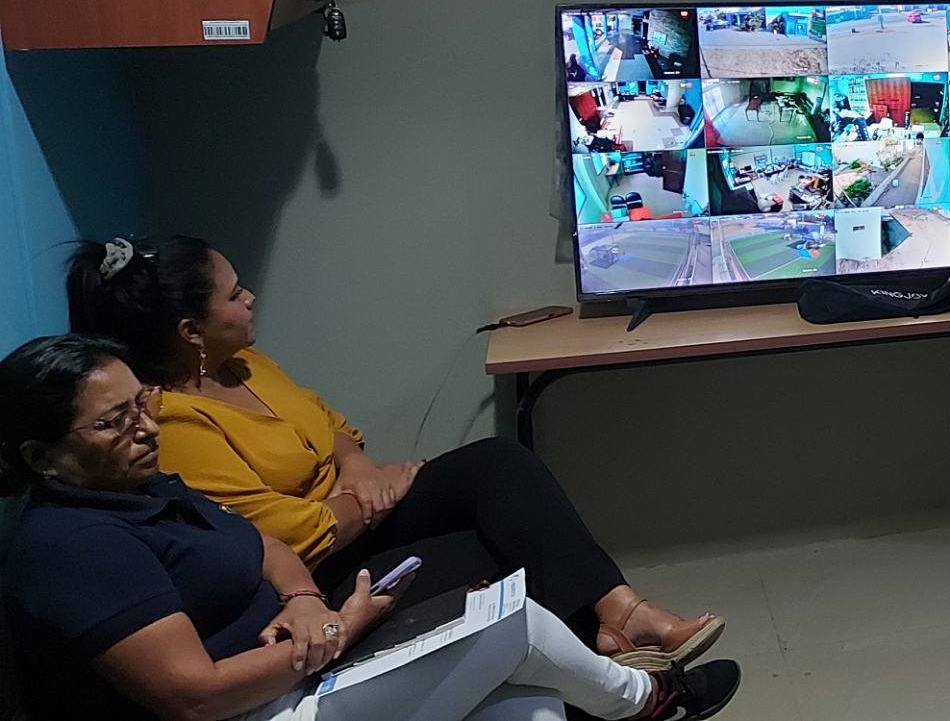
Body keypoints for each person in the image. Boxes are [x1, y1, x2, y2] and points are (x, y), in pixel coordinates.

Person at [0, 334, 740, 721]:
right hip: (262, 708)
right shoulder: (73, 546)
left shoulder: (142, 485)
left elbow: (264, 545)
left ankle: (629, 685)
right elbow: (192, 698)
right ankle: (646, 700)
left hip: (302, 665)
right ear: (42, 456)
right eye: (113, 421)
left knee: (532, 706)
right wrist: (337, 632)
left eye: (142, 403)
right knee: (513, 623)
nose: (145, 426)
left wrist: (304, 602)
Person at [65, 237, 723, 669]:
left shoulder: (242, 364)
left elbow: (333, 427)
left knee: (501, 465)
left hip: (358, 509)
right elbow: (290, 533)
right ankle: (622, 681)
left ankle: (622, 616)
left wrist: (357, 469)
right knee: (495, 550)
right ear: (191, 331)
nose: (250, 297)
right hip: (317, 571)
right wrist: (373, 492)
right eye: (234, 294)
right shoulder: (174, 424)